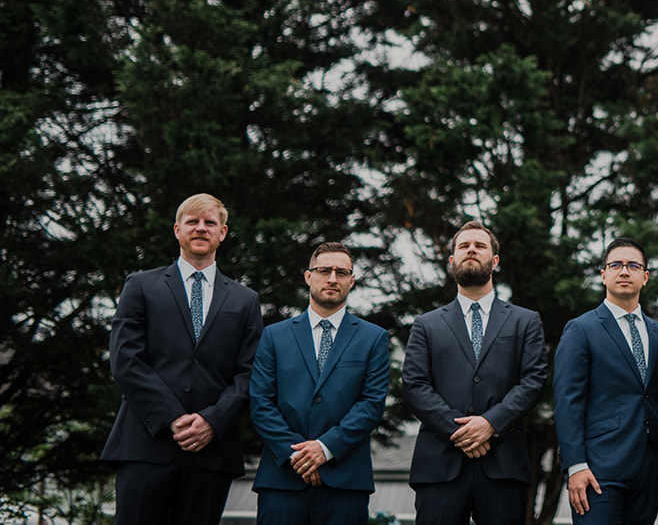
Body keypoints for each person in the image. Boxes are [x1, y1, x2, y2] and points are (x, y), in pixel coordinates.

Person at [100, 193, 264, 525]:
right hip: (146, 444)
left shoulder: (246, 300)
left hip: (211, 452)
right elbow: (125, 360)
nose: (201, 228)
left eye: (209, 222)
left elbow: (250, 372)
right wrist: (173, 417)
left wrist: (212, 422)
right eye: (192, 221)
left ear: (223, 232)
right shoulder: (141, 286)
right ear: (177, 230)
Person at [402, 220, 549, 525]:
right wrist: (462, 432)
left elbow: (533, 380)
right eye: (464, 246)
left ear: (494, 261)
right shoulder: (426, 325)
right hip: (440, 467)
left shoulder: (525, 321)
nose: (471, 250)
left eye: (480, 246)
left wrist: (490, 424)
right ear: (452, 259)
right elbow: (415, 385)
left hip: (504, 465)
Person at [250, 242, 391, 525]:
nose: (332, 278)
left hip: (345, 482)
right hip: (282, 480)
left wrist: (325, 448)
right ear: (308, 276)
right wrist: (300, 455)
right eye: (324, 270)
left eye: (341, 272)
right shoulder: (274, 336)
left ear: (352, 280)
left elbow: (371, 405)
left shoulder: (373, 338)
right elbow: (261, 403)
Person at [553, 238, 658, 525]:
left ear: (645, 277)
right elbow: (567, 401)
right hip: (597, 470)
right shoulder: (581, 329)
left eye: (633, 265)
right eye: (615, 265)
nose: (624, 271)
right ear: (603, 275)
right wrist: (575, 465)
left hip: (651, 470)